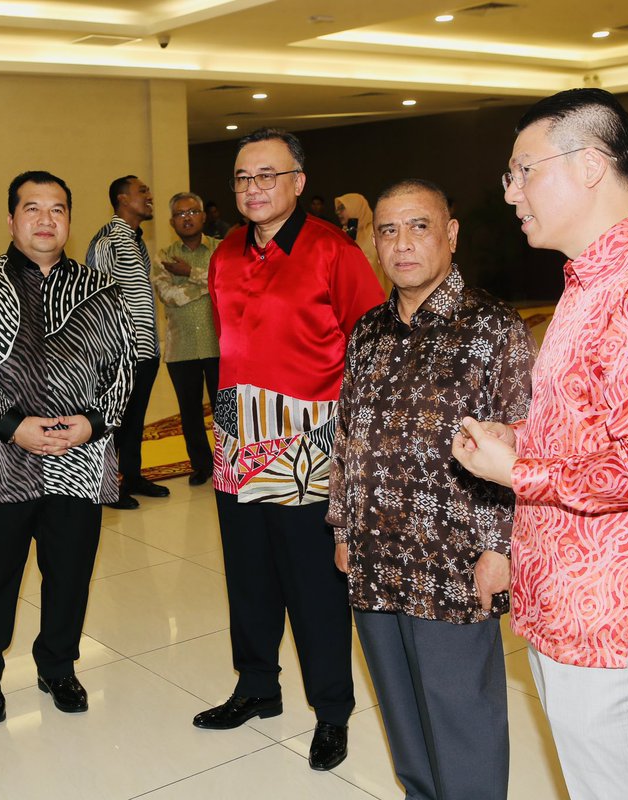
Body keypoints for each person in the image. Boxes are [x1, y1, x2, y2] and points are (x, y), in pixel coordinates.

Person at [453, 88, 628, 800]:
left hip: (616, 619)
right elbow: (586, 428)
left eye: (524, 171)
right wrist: (514, 438)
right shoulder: (592, 281)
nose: (510, 192)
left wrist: (518, 467)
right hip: (569, 601)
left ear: (590, 165)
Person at [328, 178, 535, 799]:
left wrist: (501, 547)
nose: (402, 244)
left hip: (453, 559)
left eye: (419, 226)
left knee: (460, 717)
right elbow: (348, 435)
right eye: (387, 229)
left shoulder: (493, 328)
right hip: (373, 553)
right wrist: (342, 526)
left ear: (451, 234)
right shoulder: (368, 331)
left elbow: (523, 440)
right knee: (402, 714)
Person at [194, 128, 385, 771]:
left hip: (307, 438)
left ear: (298, 183)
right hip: (235, 435)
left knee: (313, 584)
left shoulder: (334, 252)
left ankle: (332, 711)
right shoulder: (223, 253)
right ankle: (256, 688)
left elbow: (372, 350)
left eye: (267, 176)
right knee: (247, 576)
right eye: (243, 178)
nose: (253, 188)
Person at [0, 170, 134, 725]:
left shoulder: (104, 290)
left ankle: (58, 665)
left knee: (70, 572)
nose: (46, 220)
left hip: (80, 459)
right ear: (10, 219)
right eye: (33, 209)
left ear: (69, 220)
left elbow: (124, 365)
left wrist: (95, 423)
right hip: (0, 460)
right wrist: (11, 426)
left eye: (58, 209)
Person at [86, 175, 170, 509]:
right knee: (114, 423)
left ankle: (131, 476)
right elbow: (99, 297)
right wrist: (110, 352)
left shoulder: (135, 240)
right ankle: (108, 486)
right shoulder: (108, 241)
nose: (150, 196)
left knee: (135, 421)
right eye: (142, 191)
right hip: (121, 353)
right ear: (122, 199)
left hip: (145, 350)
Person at [153, 192, 220, 486]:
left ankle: (229, 463)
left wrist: (188, 273)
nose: (187, 218)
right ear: (171, 222)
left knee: (225, 409)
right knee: (190, 412)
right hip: (180, 349)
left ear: (203, 217)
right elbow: (169, 295)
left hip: (219, 345)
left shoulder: (221, 250)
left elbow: (230, 283)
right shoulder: (163, 256)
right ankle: (201, 465)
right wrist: (208, 283)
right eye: (180, 214)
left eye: (193, 212)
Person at [334, 192, 388, 295]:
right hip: (351, 294)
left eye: (342, 208)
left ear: (355, 207)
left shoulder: (375, 232)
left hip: (374, 293)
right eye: (337, 209)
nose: (338, 212)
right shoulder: (344, 233)